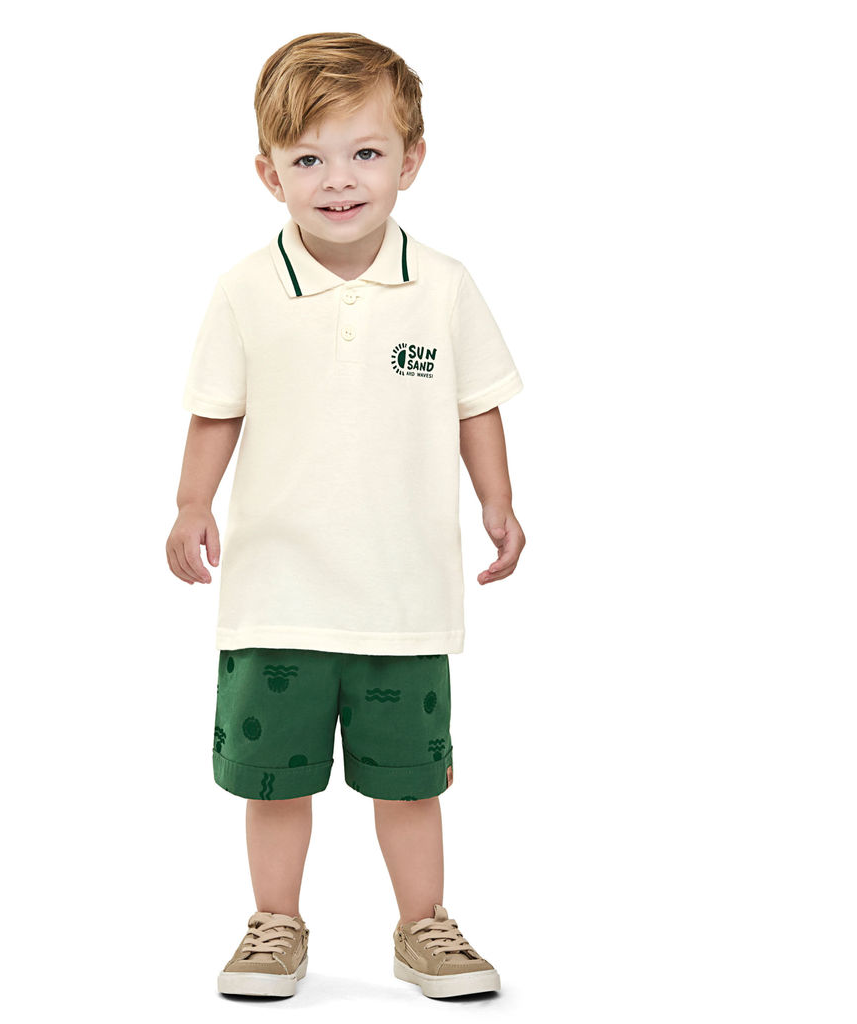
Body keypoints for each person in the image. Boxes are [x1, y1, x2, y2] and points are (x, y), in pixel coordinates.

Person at [165, 31, 525, 1000]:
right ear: (268, 172)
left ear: (411, 159)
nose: (338, 180)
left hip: (403, 600)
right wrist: (191, 503)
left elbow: (475, 404)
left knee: (411, 781)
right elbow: (217, 409)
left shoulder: (442, 285)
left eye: (365, 152)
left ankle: (423, 926)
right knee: (274, 780)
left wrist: (497, 499)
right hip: (276, 597)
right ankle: (274, 924)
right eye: (307, 159)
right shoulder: (247, 289)